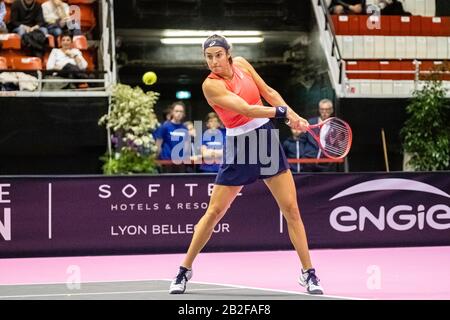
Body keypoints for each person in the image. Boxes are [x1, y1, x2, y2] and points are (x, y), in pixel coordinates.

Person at [169, 34, 323, 295]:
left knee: (291, 210)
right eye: (209, 57)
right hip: (240, 147)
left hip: (265, 141)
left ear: (228, 53)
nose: (214, 61)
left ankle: (309, 273)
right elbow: (246, 108)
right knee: (214, 213)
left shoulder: (242, 64)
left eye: (218, 55)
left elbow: (269, 93)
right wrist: (282, 114)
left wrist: (294, 117)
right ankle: (184, 269)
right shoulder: (210, 86)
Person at [298, 99, 337, 172]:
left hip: (326, 163)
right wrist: (303, 156)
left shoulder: (336, 126)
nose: (324, 112)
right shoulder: (311, 122)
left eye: (327, 110)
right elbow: (301, 140)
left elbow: (336, 145)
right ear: (319, 110)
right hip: (308, 161)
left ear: (331, 110)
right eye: (322, 109)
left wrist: (332, 159)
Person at [154, 101, 189, 172]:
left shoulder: (185, 128)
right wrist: (156, 158)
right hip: (166, 162)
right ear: (172, 112)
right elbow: (158, 144)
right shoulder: (165, 127)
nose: (179, 113)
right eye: (176, 111)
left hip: (180, 163)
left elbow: (186, 147)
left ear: (184, 114)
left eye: (181, 111)